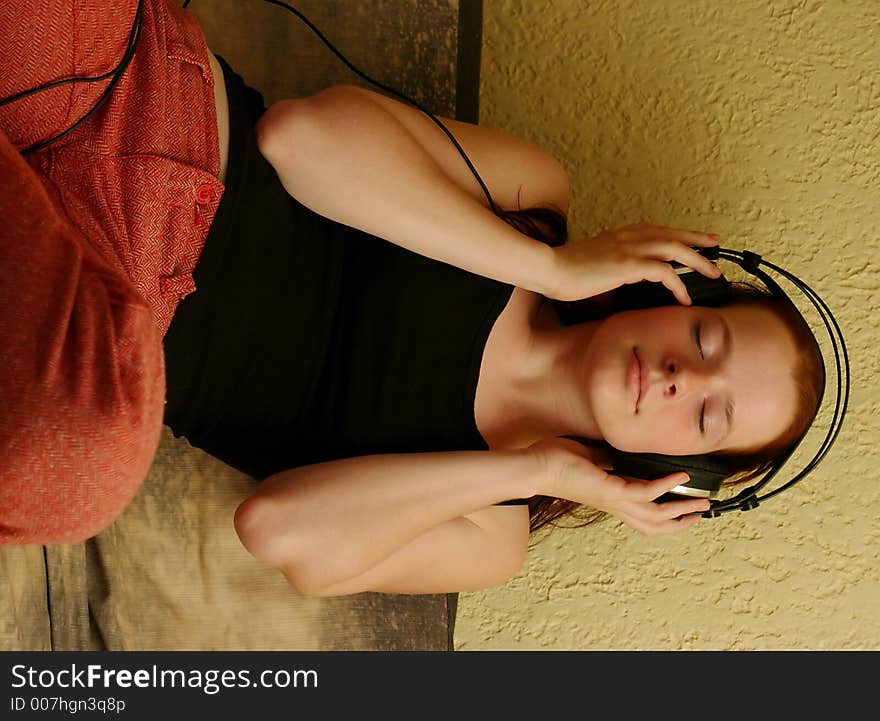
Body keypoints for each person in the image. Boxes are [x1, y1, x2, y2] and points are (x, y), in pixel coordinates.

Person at [0, 1, 824, 598]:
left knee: (78, 475)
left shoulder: (488, 535)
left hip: (94, 329)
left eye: (708, 416)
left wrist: (533, 468)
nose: (684, 377)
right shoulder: (534, 200)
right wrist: (553, 271)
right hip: (141, 111)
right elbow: (301, 140)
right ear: (680, 291)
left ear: (681, 478)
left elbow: (279, 528)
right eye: (707, 339)